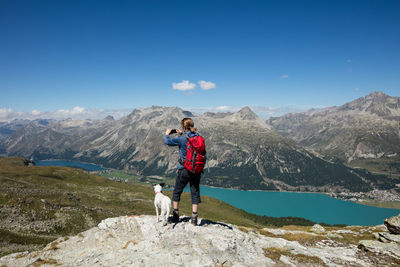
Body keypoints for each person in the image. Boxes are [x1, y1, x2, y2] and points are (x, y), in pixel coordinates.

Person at [165, 118, 202, 225]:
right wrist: (183, 134)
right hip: (196, 169)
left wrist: (167, 133)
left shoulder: (181, 139)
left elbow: (167, 141)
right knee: (195, 192)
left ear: (183, 127)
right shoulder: (198, 137)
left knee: (177, 191)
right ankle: (194, 218)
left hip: (184, 169)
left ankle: (176, 216)